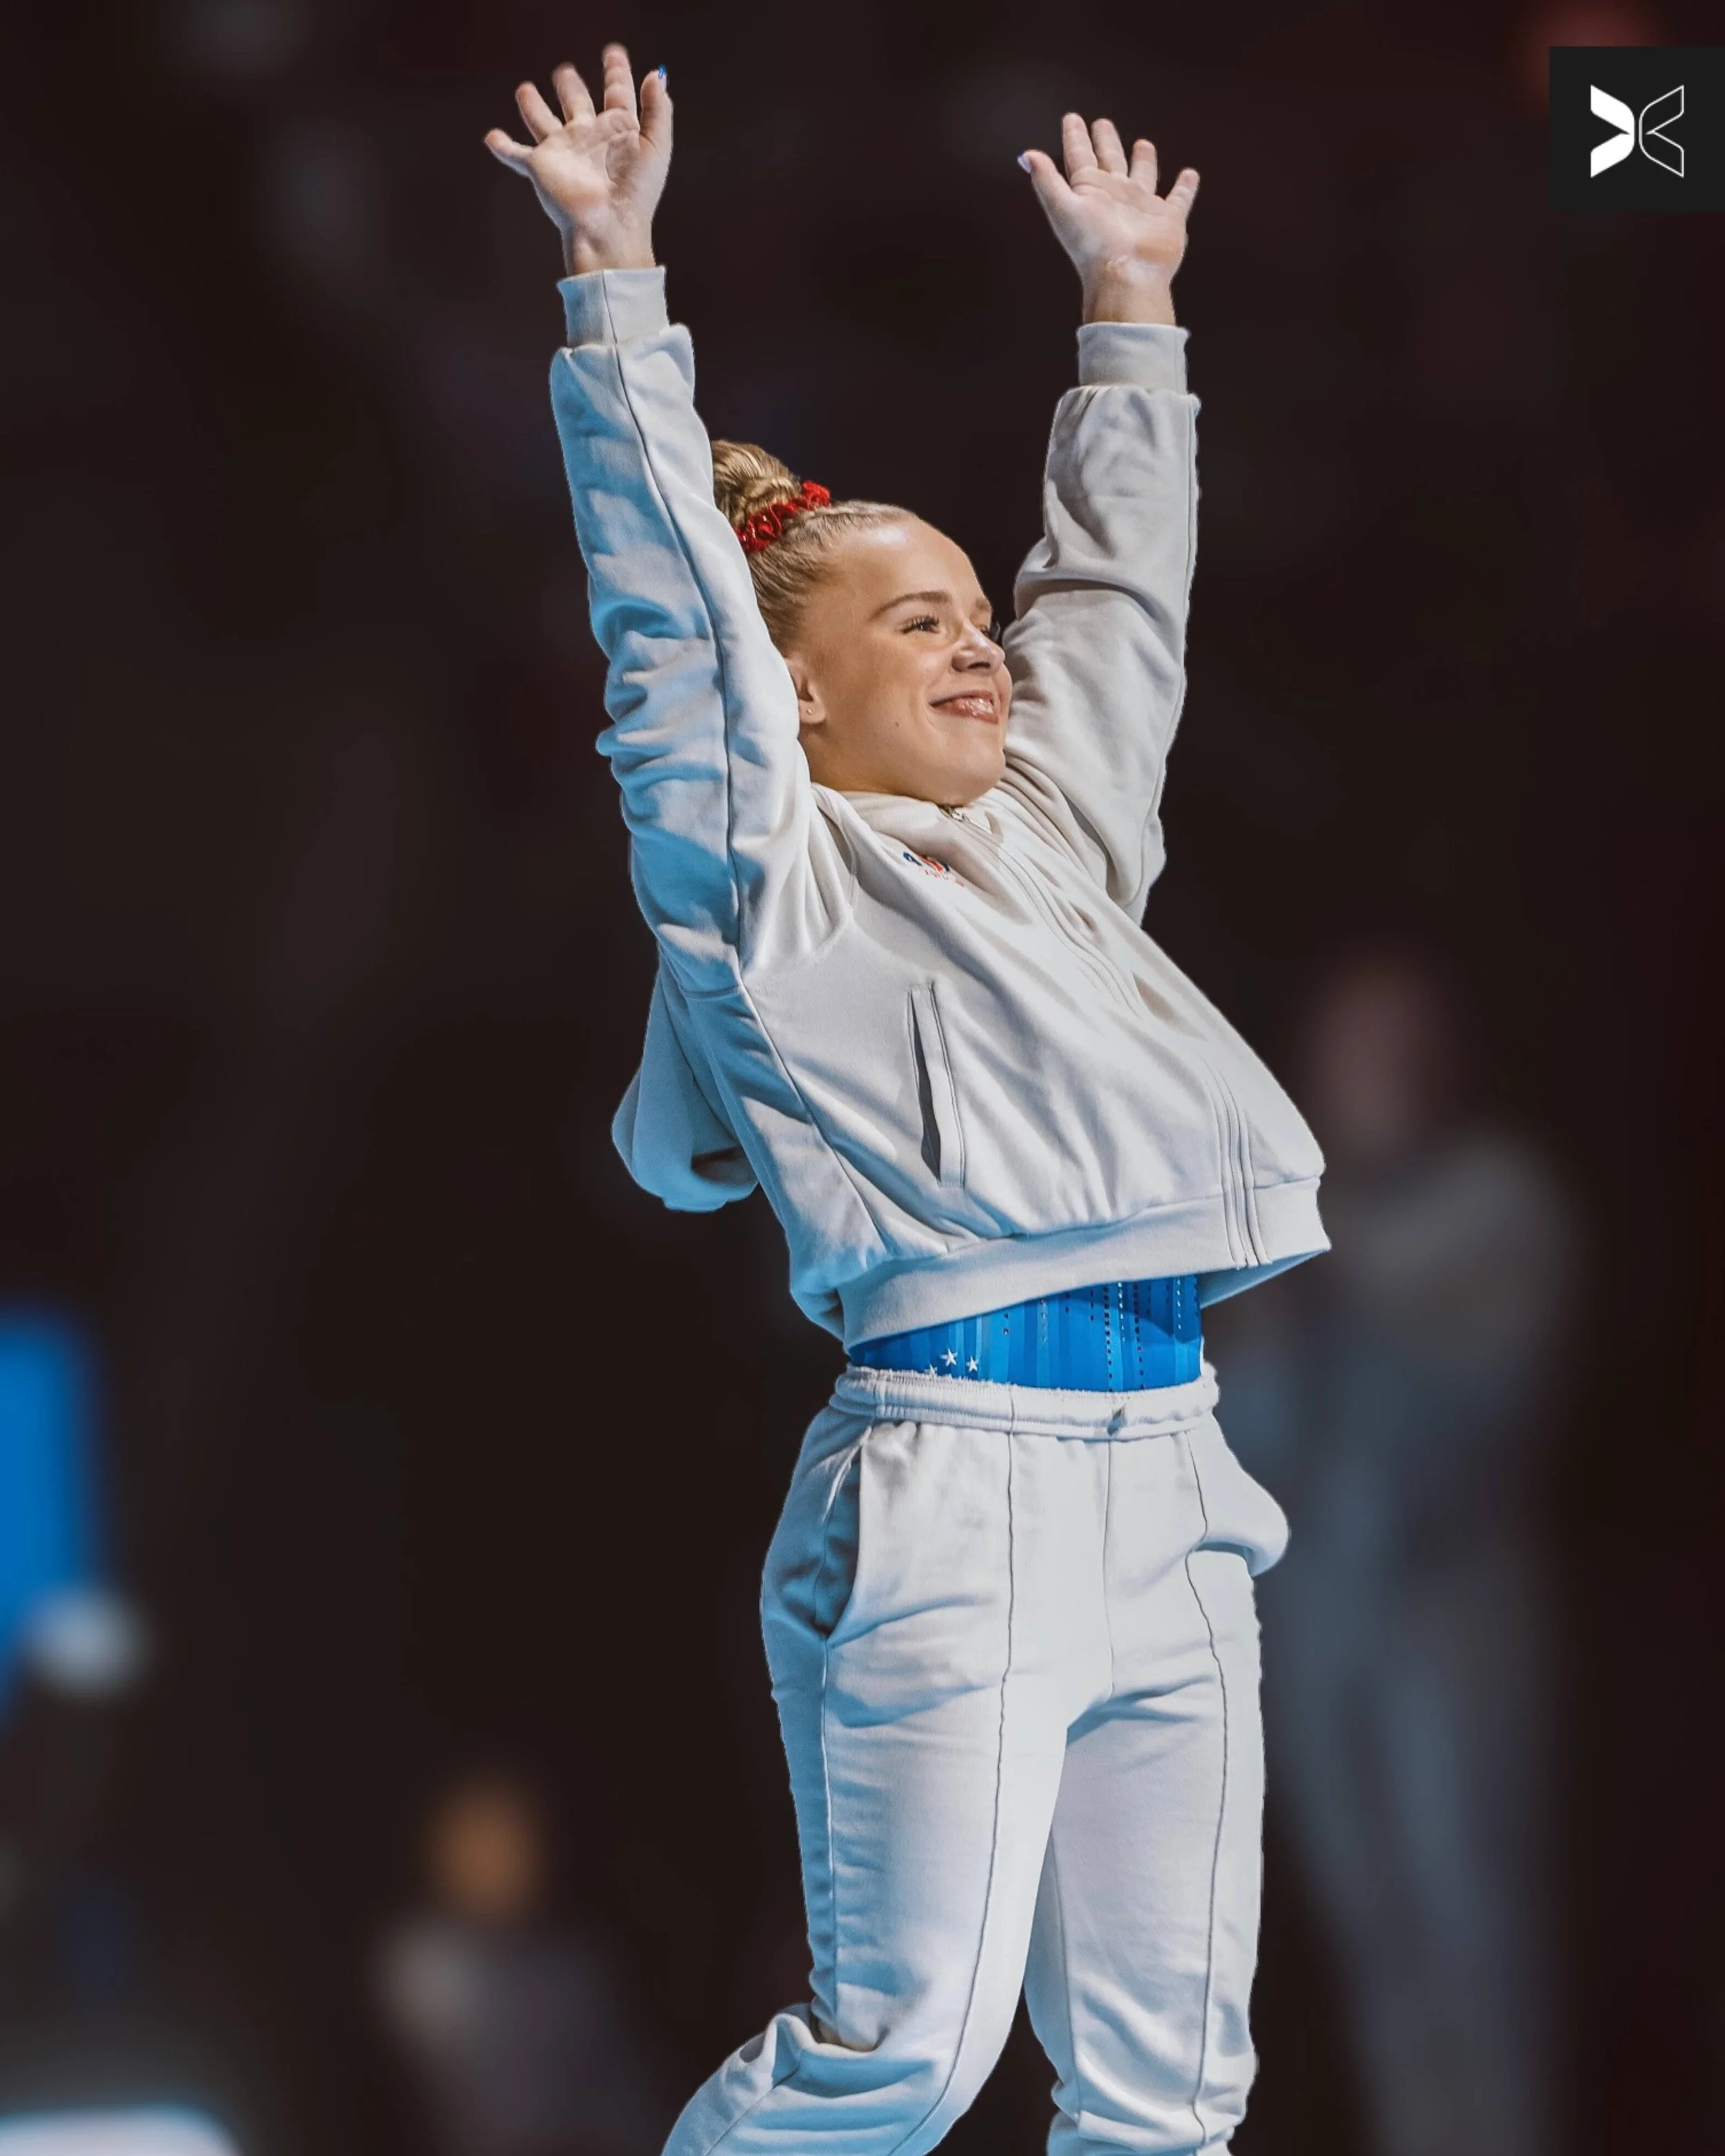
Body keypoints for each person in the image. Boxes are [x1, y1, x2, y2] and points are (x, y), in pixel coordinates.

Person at [484, 43, 1328, 2156]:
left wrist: (1127, 319)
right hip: (954, 1483)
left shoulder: (1051, 841)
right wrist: (613, 284)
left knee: (1169, 2091)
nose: (977, 653)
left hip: (1169, 1475)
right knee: (896, 2059)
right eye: (917, 622)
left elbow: (1119, 613)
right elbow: (675, 628)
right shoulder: (762, 891)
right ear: (802, 692)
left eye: (975, 618)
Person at [1208, 953, 1579, 2156]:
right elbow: (1247, 1446)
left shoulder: (1501, 1207)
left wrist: (1332, 1306)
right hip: (1322, 1635)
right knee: (1376, 1944)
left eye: (1398, 1044)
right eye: (1352, 1047)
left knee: (1473, 1929)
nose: (1375, 1075)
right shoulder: (1288, 1229)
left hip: (1448, 1624)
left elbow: (1465, 1422)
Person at [376, 1770, 669, 2156]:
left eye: (515, 1844)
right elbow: (507, 2108)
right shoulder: (422, 1965)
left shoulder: (575, 1965)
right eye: (482, 1846)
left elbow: (628, 2092)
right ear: (444, 1856)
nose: (503, 1862)